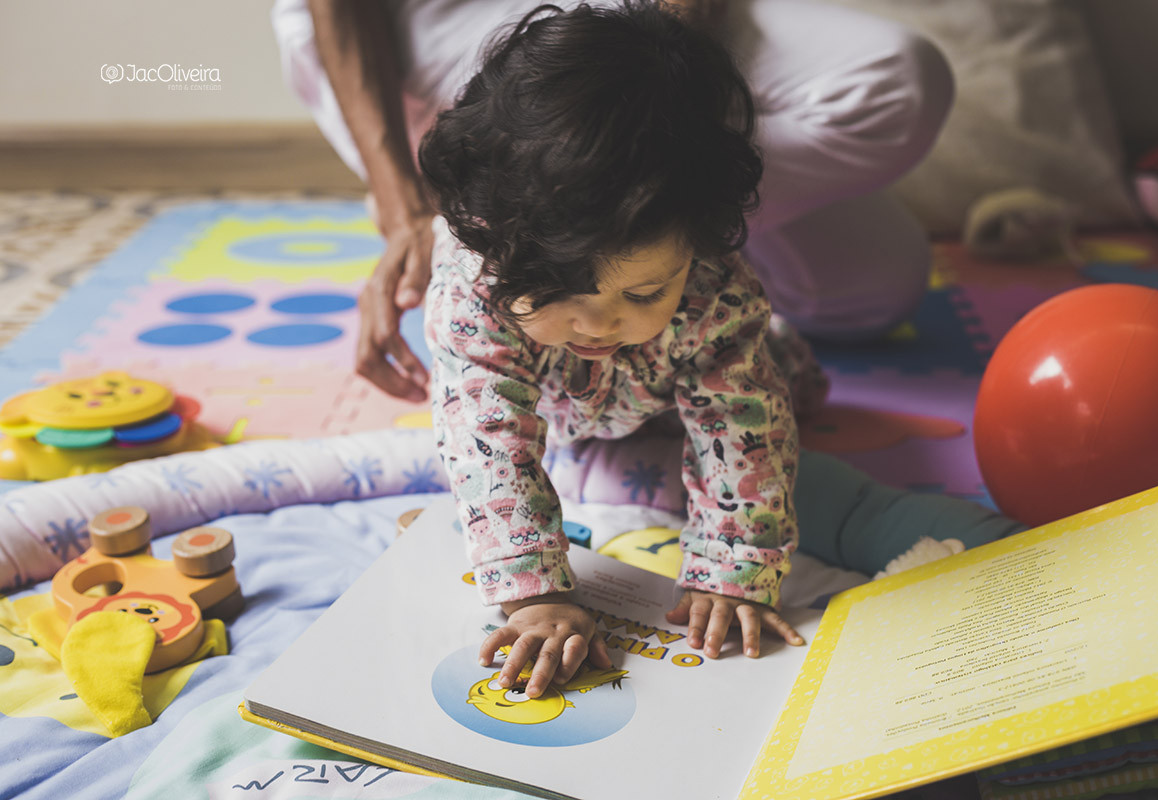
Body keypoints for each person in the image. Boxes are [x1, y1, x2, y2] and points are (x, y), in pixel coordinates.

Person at [408, 2, 1022, 700]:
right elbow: (488, 441)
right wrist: (535, 595)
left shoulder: (713, 293)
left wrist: (732, 571)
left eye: (643, 292)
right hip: (561, 401)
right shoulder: (476, 288)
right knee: (496, 431)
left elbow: (740, 429)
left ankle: (781, 356)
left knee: (772, 388)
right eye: (562, 289)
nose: (602, 322)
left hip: (664, 383)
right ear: (497, 240)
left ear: (698, 246)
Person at [271, 0, 955, 402]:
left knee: (877, 285)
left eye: (637, 294)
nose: (598, 328)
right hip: (428, 17)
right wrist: (411, 214)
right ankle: (495, 199)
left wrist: (667, 147)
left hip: (641, 18)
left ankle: (651, 243)